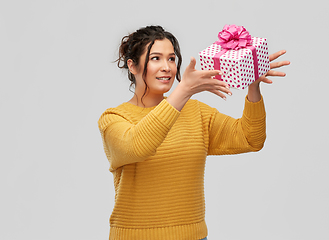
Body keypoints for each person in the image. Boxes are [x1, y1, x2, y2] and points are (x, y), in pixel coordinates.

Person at [98, 25, 290, 240]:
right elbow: (138, 146)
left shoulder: (195, 112)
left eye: (171, 58)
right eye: (155, 58)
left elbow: (250, 138)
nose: (167, 67)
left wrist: (252, 86)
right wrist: (184, 90)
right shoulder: (114, 119)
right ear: (132, 66)